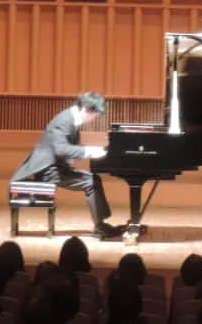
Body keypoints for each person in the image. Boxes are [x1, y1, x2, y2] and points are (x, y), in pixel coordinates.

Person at [11, 92, 121, 239]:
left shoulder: (71, 118)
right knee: (91, 181)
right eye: (95, 114)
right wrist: (88, 151)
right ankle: (100, 227)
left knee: (93, 180)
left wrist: (91, 150)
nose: (95, 118)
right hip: (47, 170)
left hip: (56, 166)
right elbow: (61, 149)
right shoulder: (65, 121)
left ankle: (101, 224)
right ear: (86, 110)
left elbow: (65, 149)